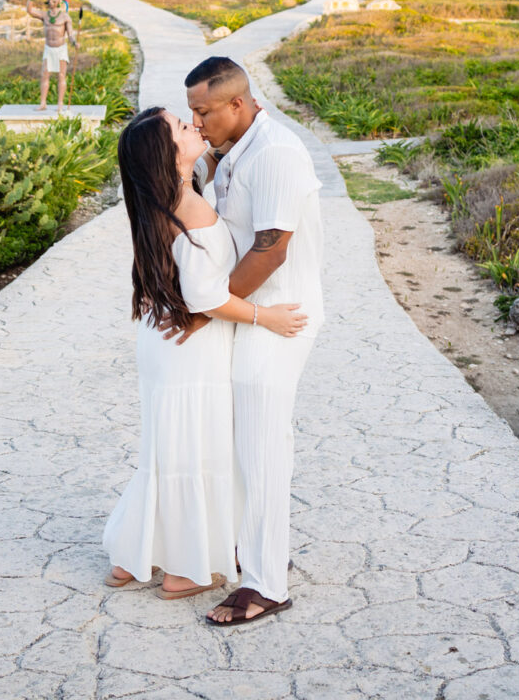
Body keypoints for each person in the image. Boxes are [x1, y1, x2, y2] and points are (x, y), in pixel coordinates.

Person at [103, 106, 307, 602]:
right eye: (180, 126)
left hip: (165, 343)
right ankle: (185, 571)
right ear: (167, 155)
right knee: (196, 451)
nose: (192, 125)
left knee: (166, 450)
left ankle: (136, 554)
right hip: (191, 348)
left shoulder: (162, 197)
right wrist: (267, 317)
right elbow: (205, 297)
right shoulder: (187, 206)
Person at [172, 57, 324, 627]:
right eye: (191, 111)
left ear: (237, 104)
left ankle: (266, 586)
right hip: (248, 313)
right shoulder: (235, 149)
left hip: (280, 315)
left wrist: (210, 312)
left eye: (204, 111)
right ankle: (254, 551)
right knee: (240, 444)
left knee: (261, 448)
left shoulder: (277, 153)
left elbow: (271, 248)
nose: (197, 120)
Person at [25, 0, 77, 111]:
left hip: (60, 48)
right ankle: (43, 103)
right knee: (45, 74)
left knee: (61, 75)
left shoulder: (65, 17)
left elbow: (70, 34)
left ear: (59, 1)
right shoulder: (45, 15)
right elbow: (30, 11)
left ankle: (60, 104)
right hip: (49, 48)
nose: (52, 2)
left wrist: (74, 42)